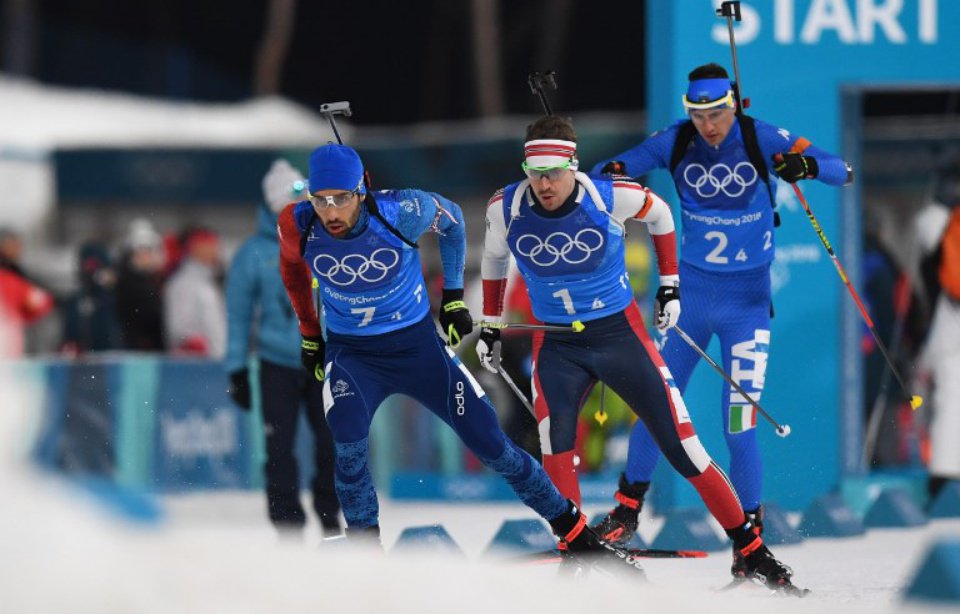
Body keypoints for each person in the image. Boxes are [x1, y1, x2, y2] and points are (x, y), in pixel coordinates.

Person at [277, 142, 643, 576]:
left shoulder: (400, 211)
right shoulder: (296, 224)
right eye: (320, 200)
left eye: (342, 199)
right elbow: (293, 271)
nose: (331, 212)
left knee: (493, 446)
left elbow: (451, 221)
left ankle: (575, 533)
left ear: (363, 191)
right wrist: (309, 334)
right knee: (349, 445)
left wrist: (453, 297)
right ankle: (365, 555)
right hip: (354, 357)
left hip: (419, 351)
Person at [476, 114, 797, 590]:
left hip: (619, 337)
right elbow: (494, 257)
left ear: (573, 165)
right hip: (557, 344)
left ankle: (752, 551)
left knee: (685, 449)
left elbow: (662, 215)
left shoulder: (609, 196)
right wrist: (490, 323)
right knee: (555, 446)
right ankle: (576, 548)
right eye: (535, 171)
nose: (545, 183)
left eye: (555, 171)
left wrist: (670, 287)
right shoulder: (506, 207)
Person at [589, 63, 852, 573]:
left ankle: (747, 541)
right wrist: (597, 184)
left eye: (716, 113)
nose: (708, 125)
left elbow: (842, 169)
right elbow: (611, 170)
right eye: (698, 114)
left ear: (733, 104)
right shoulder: (677, 141)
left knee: (739, 426)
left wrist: (807, 168)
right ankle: (626, 510)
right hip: (692, 301)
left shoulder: (761, 137)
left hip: (747, 307)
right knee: (657, 403)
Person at [225, 159, 342, 540]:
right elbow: (239, 316)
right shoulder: (252, 255)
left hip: (323, 360)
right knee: (279, 448)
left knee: (333, 444)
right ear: (273, 205)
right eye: (290, 201)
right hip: (276, 364)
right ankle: (287, 526)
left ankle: (330, 517)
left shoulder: (325, 239)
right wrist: (236, 368)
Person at [917, 155, 960, 503]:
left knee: (950, 400)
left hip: (951, 325)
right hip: (951, 322)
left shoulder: (938, 218)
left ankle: (944, 480)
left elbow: (925, 229)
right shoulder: (944, 222)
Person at [163, 227, 226, 357]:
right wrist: (196, 344)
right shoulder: (182, 283)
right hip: (192, 363)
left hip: (216, 361)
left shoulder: (212, 281)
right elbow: (178, 329)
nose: (213, 252)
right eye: (206, 247)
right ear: (194, 250)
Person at [0, 228, 54, 359]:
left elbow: (39, 302)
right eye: (13, 244)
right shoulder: (10, 277)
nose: (18, 249)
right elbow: (37, 302)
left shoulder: (18, 273)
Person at [115, 219, 166, 351]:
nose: (148, 258)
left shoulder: (152, 281)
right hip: (141, 350)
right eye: (143, 253)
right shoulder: (133, 284)